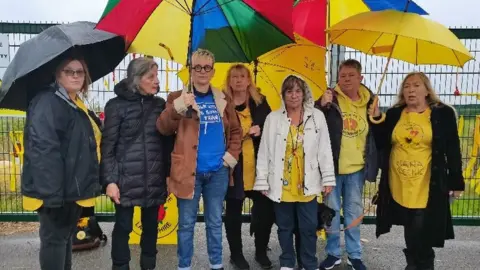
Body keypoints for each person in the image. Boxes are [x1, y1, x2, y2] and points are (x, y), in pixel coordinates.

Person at [157, 48, 242, 270]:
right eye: (197, 67)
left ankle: (216, 264)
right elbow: (163, 128)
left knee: (214, 222)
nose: (202, 71)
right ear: (190, 70)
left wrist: (230, 158)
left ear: (213, 71)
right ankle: (184, 266)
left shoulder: (223, 99)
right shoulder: (177, 97)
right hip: (188, 171)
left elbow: (235, 132)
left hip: (218, 172)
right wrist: (180, 105)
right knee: (186, 223)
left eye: (207, 67)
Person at [370, 72, 464, 270]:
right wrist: (376, 117)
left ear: (427, 90)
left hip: (427, 183)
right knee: (410, 227)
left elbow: (453, 149)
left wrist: (456, 182)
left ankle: (420, 264)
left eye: (416, 85)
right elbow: (382, 143)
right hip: (399, 183)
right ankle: (414, 263)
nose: (411, 90)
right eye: (406, 86)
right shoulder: (395, 113)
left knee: (421, 230)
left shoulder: (442, 113)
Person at [21, 56, 101, 270]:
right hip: (56, 194)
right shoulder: (48, 102)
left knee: (64, 240)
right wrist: (52, 197)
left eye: (80, 72)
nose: (76, 75)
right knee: (54, 242)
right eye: (69, 71)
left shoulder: (72, 102)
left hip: (69, 190)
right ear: (57, 75)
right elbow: (43, 151)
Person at [253, 75, 336, 270]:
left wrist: (328, 178)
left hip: (308, 183)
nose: (294, 95)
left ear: (304, 93)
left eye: (298, 91)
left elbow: (325, 150)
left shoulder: (317, 117)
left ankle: (309, 263)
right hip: (282, 184)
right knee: (284, 228)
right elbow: (264, 152)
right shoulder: (273, 119)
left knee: (308, 228)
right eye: (289, 91)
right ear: (283, 95)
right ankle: (287, 263)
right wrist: (262, 181)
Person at [101, 57, 172, 270]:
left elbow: (167, 144)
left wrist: (167, 175)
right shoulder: (115, 106)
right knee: (123, 226)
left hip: (154, 177)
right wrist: (110, 181)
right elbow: (108, 147)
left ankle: (148, 265)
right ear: (136, 79)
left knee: (151, 227)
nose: (156, 81)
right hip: (125, 179)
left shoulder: (160, 105)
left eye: (156, 76)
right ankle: (121, 266)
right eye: (151, 76)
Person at [315, 59, 379, 270]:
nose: (346, 79)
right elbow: (314, 121)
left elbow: (379, 131)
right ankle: (333, 253)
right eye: (342, 76)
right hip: (332, 168)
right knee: (330, 212)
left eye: (351, 75)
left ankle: (354, 254)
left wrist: (378, 116)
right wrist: (321, 105)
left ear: (361, 78)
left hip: (357, 168)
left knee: (353, 212)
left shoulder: (370, 102)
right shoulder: (329, 99)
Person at [223, 64, 273, 269]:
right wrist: (243, 133)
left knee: (265, 211)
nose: (238, 80)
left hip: (259, 165)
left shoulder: (260, 102)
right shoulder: (222, 103)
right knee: (233, 212)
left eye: (242, 76)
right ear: (229, 80)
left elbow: (271, 127)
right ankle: (237, 254)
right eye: (234, 76)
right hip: (234, 166)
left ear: (249, 79)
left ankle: (261, 250)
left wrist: (261, 130)